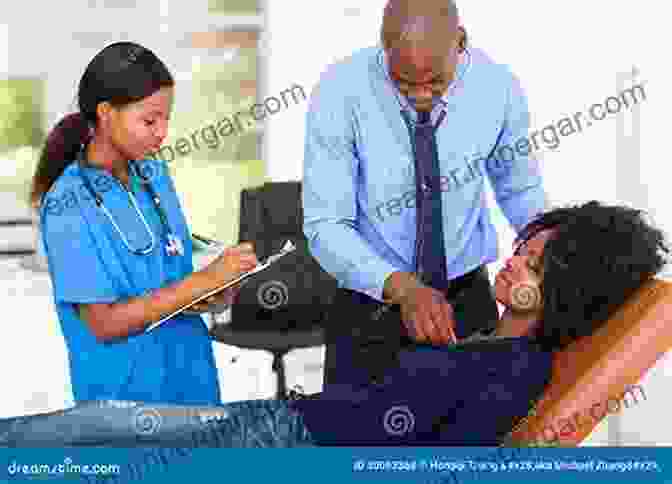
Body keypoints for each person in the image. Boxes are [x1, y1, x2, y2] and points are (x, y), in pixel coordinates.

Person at [3, 201, 667, 446]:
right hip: (284, 428)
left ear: (572, 289)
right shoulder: (489, 343)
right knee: (93, 425)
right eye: (523, 246)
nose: (515, 260)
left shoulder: (511, 367)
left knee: (85, 430)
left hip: (285, 444)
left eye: (537, 263)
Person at [301, 0, 549, 387]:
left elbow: (520, 191)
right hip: (371, 301)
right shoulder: (340, 90)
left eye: (434, 82)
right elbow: (326, 224)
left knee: (471, 437)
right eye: (404, 83)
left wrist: (552, 260)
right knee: (355, 440)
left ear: (461, 41)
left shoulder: (498, 88)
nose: (420, 96)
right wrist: (405, 289)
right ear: (383, 46)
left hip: (465, 299)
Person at [29, 42, 258, 406]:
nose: (162, 133)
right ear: (106, 114)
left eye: (166, 119)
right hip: (124, 398)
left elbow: (171, 274)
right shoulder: (67, 205)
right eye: (149, 120)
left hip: (192, 380)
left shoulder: (153, 172)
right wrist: (203, 282)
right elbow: (103, 324)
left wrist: (213, 292)